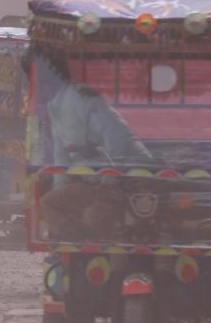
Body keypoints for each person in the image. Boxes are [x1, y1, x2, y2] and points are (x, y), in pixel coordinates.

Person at [31, 51, 151, 238]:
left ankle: (101, 253)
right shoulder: (53, 106)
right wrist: (61, 187)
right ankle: (77, 247)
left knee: (94, 217)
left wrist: (109, 179)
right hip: (94, 182)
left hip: (127, 179)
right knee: (49, 203)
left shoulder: (81, 96)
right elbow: (60, 154)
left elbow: (115, 134)